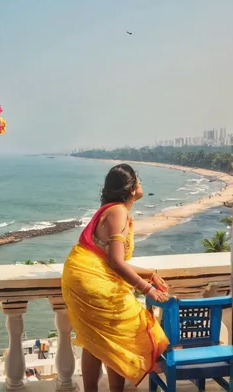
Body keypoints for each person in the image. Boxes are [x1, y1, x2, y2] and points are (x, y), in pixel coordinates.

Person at [61, 164, 169, 392]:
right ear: (131, 189)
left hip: (81, 274)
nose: (141, 183)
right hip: (92, 279)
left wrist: (149, 274)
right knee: (119, 336)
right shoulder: (119, 211)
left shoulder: (110, 210)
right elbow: (116, 262)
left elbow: (111, 259)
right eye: (137, 179)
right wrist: (146, 288)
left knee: (96, 340)